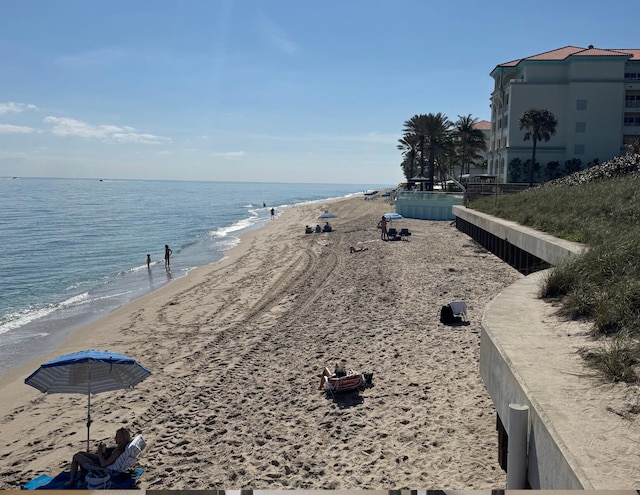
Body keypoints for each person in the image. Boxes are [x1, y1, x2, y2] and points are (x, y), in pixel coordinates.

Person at [64, 427, 132, 488]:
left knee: (76, 456)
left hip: (101, 468)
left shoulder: (119, 452)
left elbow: (104, 464)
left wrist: (99, 453)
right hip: (101, 461)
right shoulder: (119, 448)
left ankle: (71, 481)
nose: (115, 438)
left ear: (122, 439)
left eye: (117, 436)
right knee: (81, 453)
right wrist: (104, 451)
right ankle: (81, 475)